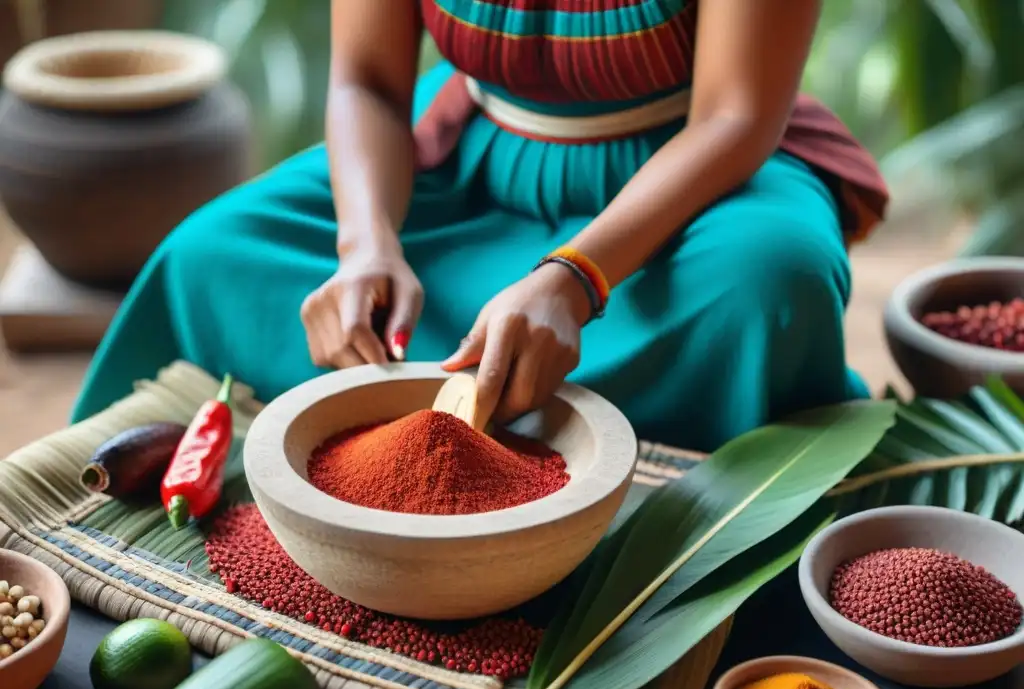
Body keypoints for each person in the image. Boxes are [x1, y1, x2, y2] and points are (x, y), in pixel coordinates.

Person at [72, 0, 888, 451]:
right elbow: (366, 84)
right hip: (460, 156)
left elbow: (736, 116)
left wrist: (576, 279)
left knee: (772, 284)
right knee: (212, 256)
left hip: (685, 180)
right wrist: (366, 245)